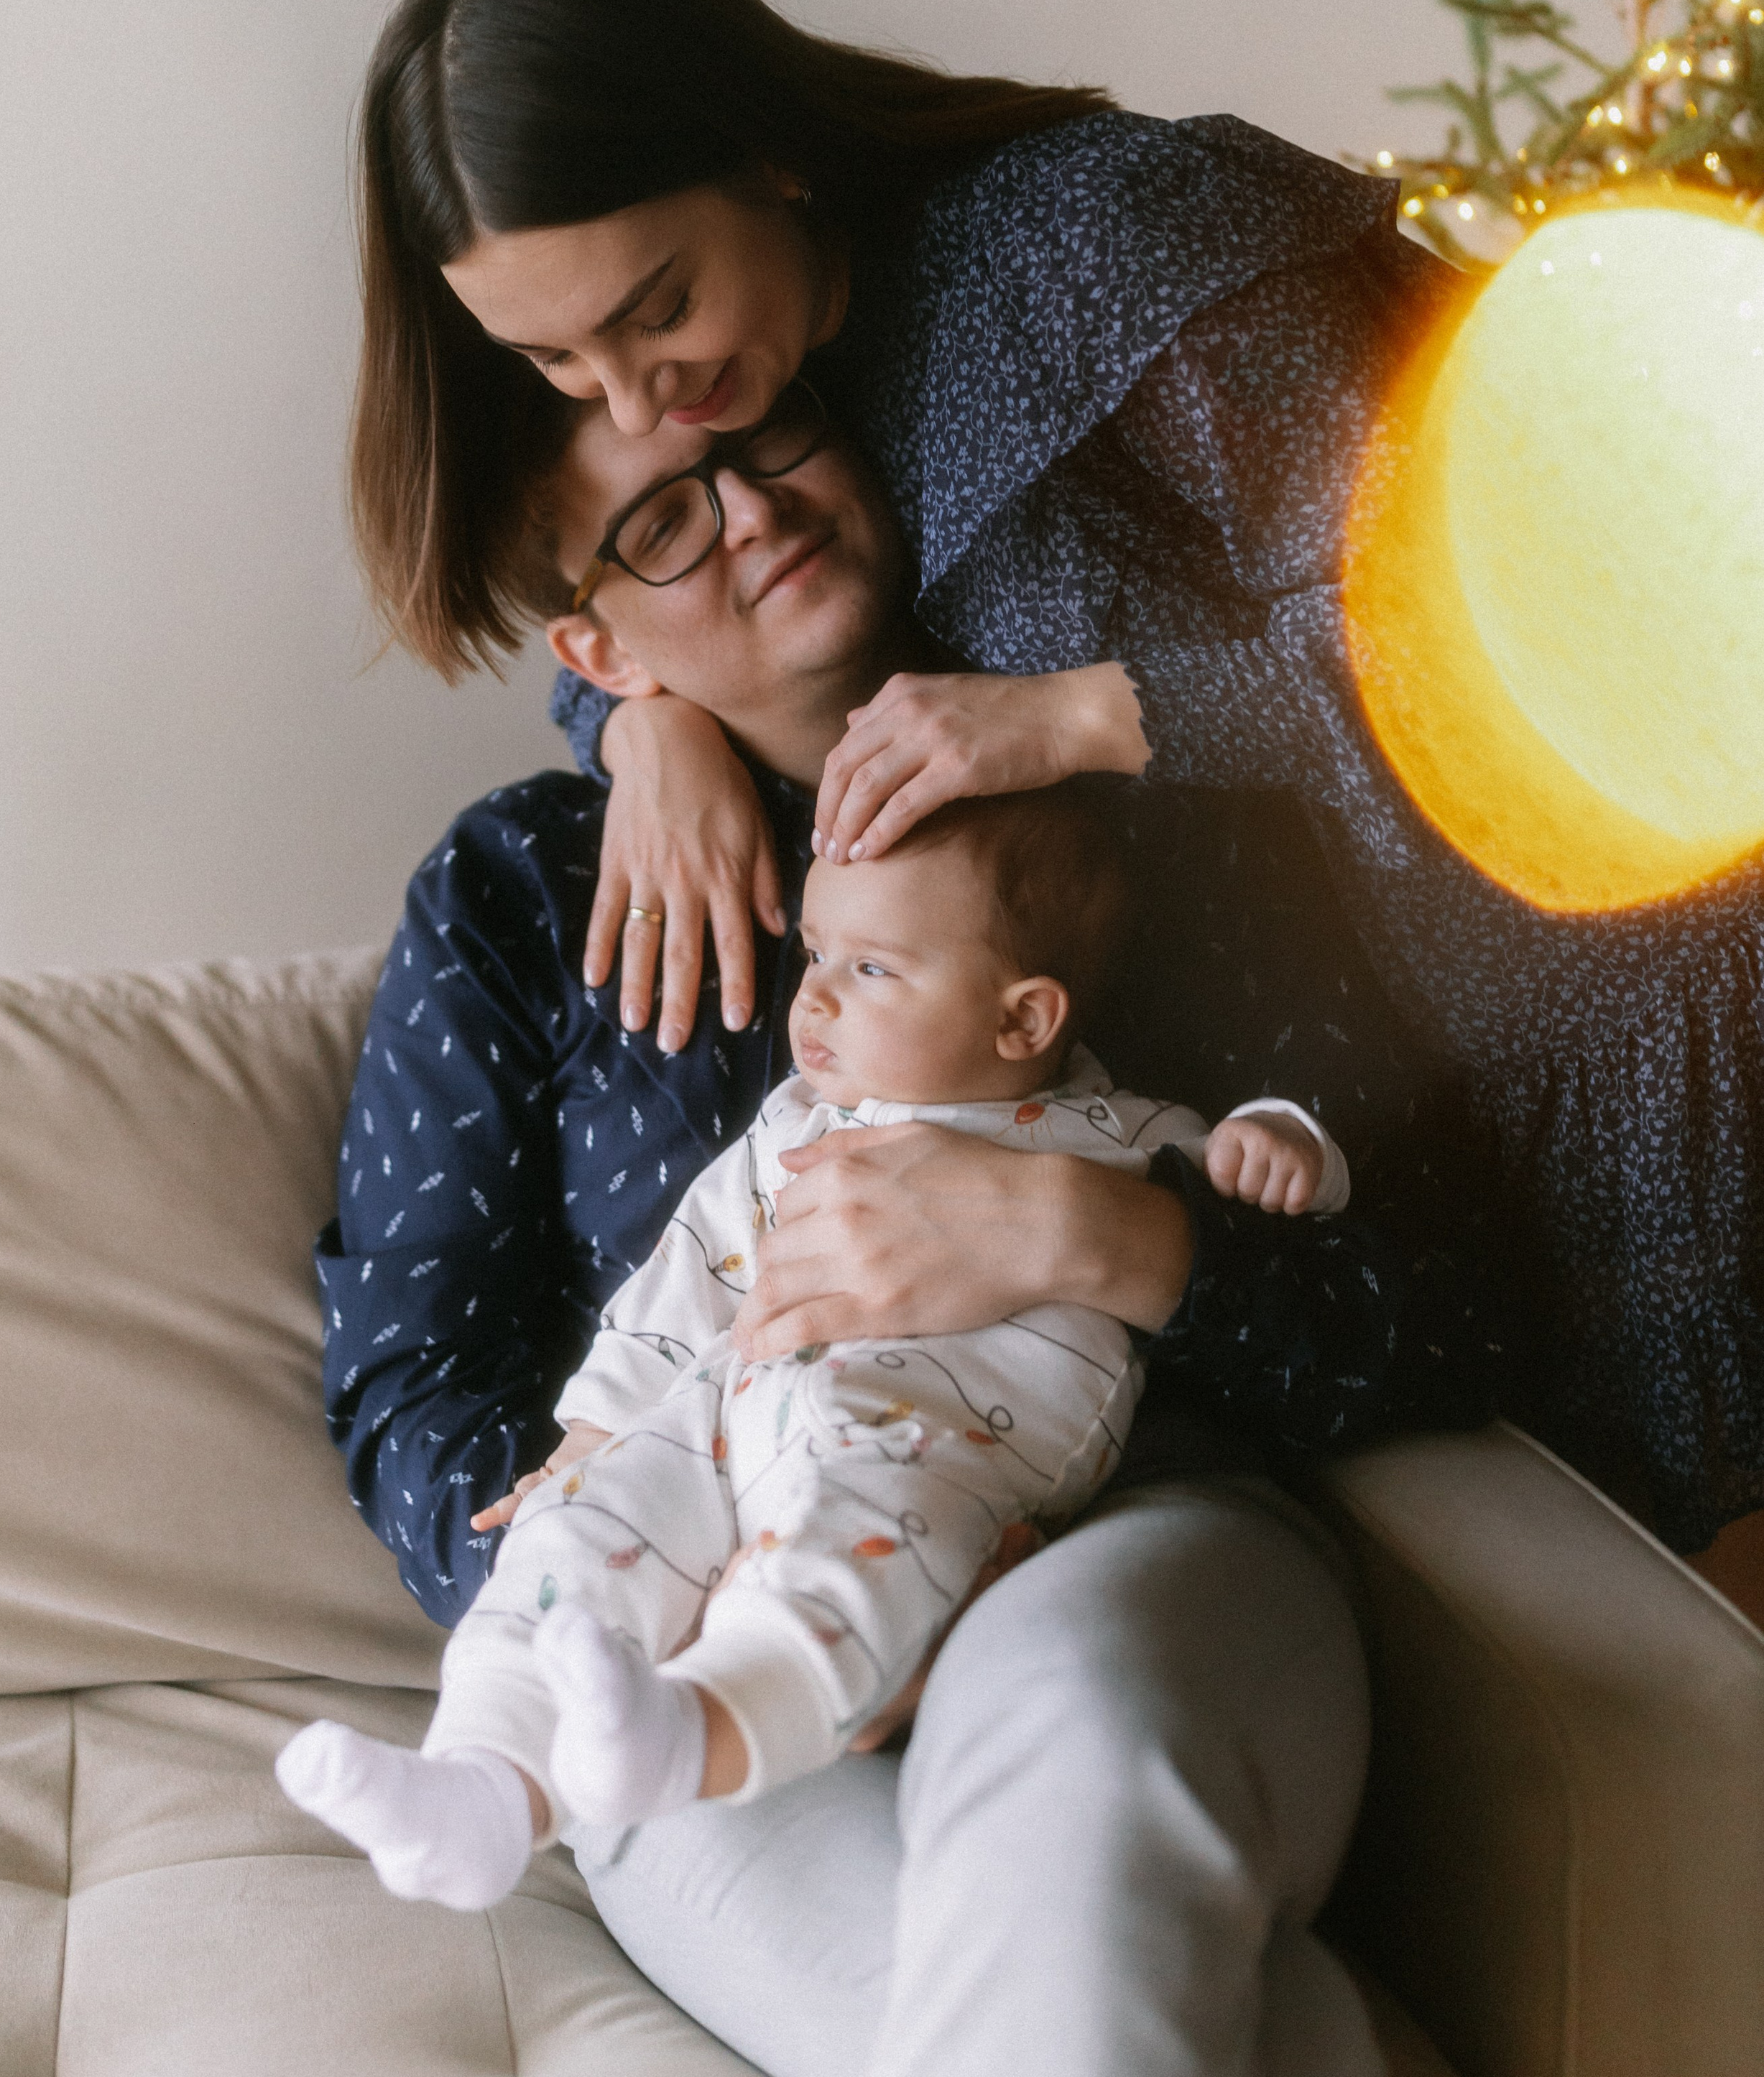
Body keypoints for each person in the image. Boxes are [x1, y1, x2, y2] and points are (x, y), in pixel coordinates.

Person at [346, 0, 1763, 1565]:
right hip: (1386, 1079)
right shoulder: (772, 384)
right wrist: (638, 719)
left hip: (1619, 1000)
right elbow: (658, 585)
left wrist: (1091, 709)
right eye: (553, 356)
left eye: (651, 309)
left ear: (766, 161)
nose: (637, 399)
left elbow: (1560, 609)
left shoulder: (1097, 255)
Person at [319, 384, 1500, 2077]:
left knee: (1081, 1807)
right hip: (676, 1648)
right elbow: (405, 1382)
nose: (747, 514)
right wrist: (631, 1534)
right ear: (594, 640)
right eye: (661, 520)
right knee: (1038, 2016)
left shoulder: (1114, 815)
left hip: (1103, 1535)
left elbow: (1437, 1309)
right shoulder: (518, 889)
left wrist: (1097, 1231)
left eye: (771, 440)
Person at [284, 778, 1350, 1905]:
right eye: (819, 957)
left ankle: (697, 1728)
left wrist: (1285, 1138)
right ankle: (484, 1783)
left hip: (924, 1435)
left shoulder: (1114, 1132)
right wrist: (590, 1439)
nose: (818, 1001)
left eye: (872, 970)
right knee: (578, 1526)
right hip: (724, 1404)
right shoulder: (793, 1122)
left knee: (843, 1544)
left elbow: (1271, 1195)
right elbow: (684, 1277)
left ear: (1024, 1018)